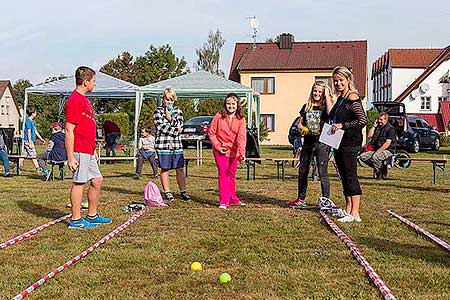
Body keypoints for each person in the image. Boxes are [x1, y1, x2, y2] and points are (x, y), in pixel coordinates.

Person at [65, 66, 111, 229]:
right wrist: (70, 157)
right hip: (79, 149)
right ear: (85, 82)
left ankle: (92, 215)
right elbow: (69, 129)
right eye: (93, 81)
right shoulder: (75, 100)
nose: (95, 84)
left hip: (88, 149)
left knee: (97, 180)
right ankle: (76, 220)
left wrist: (92, 150)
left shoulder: (84, 99)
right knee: (79, 182)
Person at [328, 66, 367, 223]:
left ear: (348, 80)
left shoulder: (352, 97)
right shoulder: (340, 98)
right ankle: (348, 208)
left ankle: (355, 213)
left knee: (351, 176)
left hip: (350, 143)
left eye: (341, 80)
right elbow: (331, 116)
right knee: (343, 176)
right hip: (339, 143)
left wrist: (342, 125)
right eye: (335, 81)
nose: (338, 83)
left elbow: (362, 120)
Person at [287, 81, 333, 209]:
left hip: (321, 144)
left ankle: (325, 200)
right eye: (315, 91)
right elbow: (299, 123)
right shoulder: (306, 107)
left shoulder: (326, 106)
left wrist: (328, 96)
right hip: (307, 143)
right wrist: (302, 128)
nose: (317, 93)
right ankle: (301, 199)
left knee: (322, 172)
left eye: (320, 91)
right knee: (303, 171)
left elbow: (331, 113)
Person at [208, 93, 247, 209]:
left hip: (234, 151)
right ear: (225, 104)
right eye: (228, 104)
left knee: (231, 174)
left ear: (237, 105)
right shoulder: (219, 116)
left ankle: (233, 197)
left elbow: (241, 136)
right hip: (221, 150)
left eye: (233, 104)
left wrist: (241, 152)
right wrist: (218, 146)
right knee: (223, 173)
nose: (231, 106)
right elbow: (212, 133)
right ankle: (224, 201)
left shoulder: (241, 119)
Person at [153, 87, 191, 201]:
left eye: (171, 100)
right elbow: (160, 127)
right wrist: (175, 130)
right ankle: (167, 191)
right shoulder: (157, 111)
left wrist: (169, 117)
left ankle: (183, 191)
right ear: (163, 99)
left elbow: (180, 124)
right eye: (167, 99)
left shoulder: (178, 111)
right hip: (163, 145)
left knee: (179, 168)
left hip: (176, 145)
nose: (169, 102)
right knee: (165, 168)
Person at [359, 112, 396, 179]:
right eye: (378, 119)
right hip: (376, 149)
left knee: (375, 157)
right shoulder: (377, 127)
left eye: (381, 120)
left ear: (386, 120)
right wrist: (374, 126)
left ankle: (379, 173)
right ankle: (381, 167)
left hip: (387, 150)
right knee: (362, 157)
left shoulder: (390, 129)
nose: (379, 121)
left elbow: (387, 143)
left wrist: (377, 152)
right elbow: (369, 135)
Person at [19, 107, 46, 173]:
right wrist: (30, 142)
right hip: (28, 141)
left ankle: (17, 167)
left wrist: (41, 139)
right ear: (32, 113)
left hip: (28, 141)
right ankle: (38, 168)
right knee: (33, 154)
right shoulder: (28, 121)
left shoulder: (32, 121)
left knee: (24, 155)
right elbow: (29, 132)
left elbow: (35, 131)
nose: (36, 114)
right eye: (35, 112)